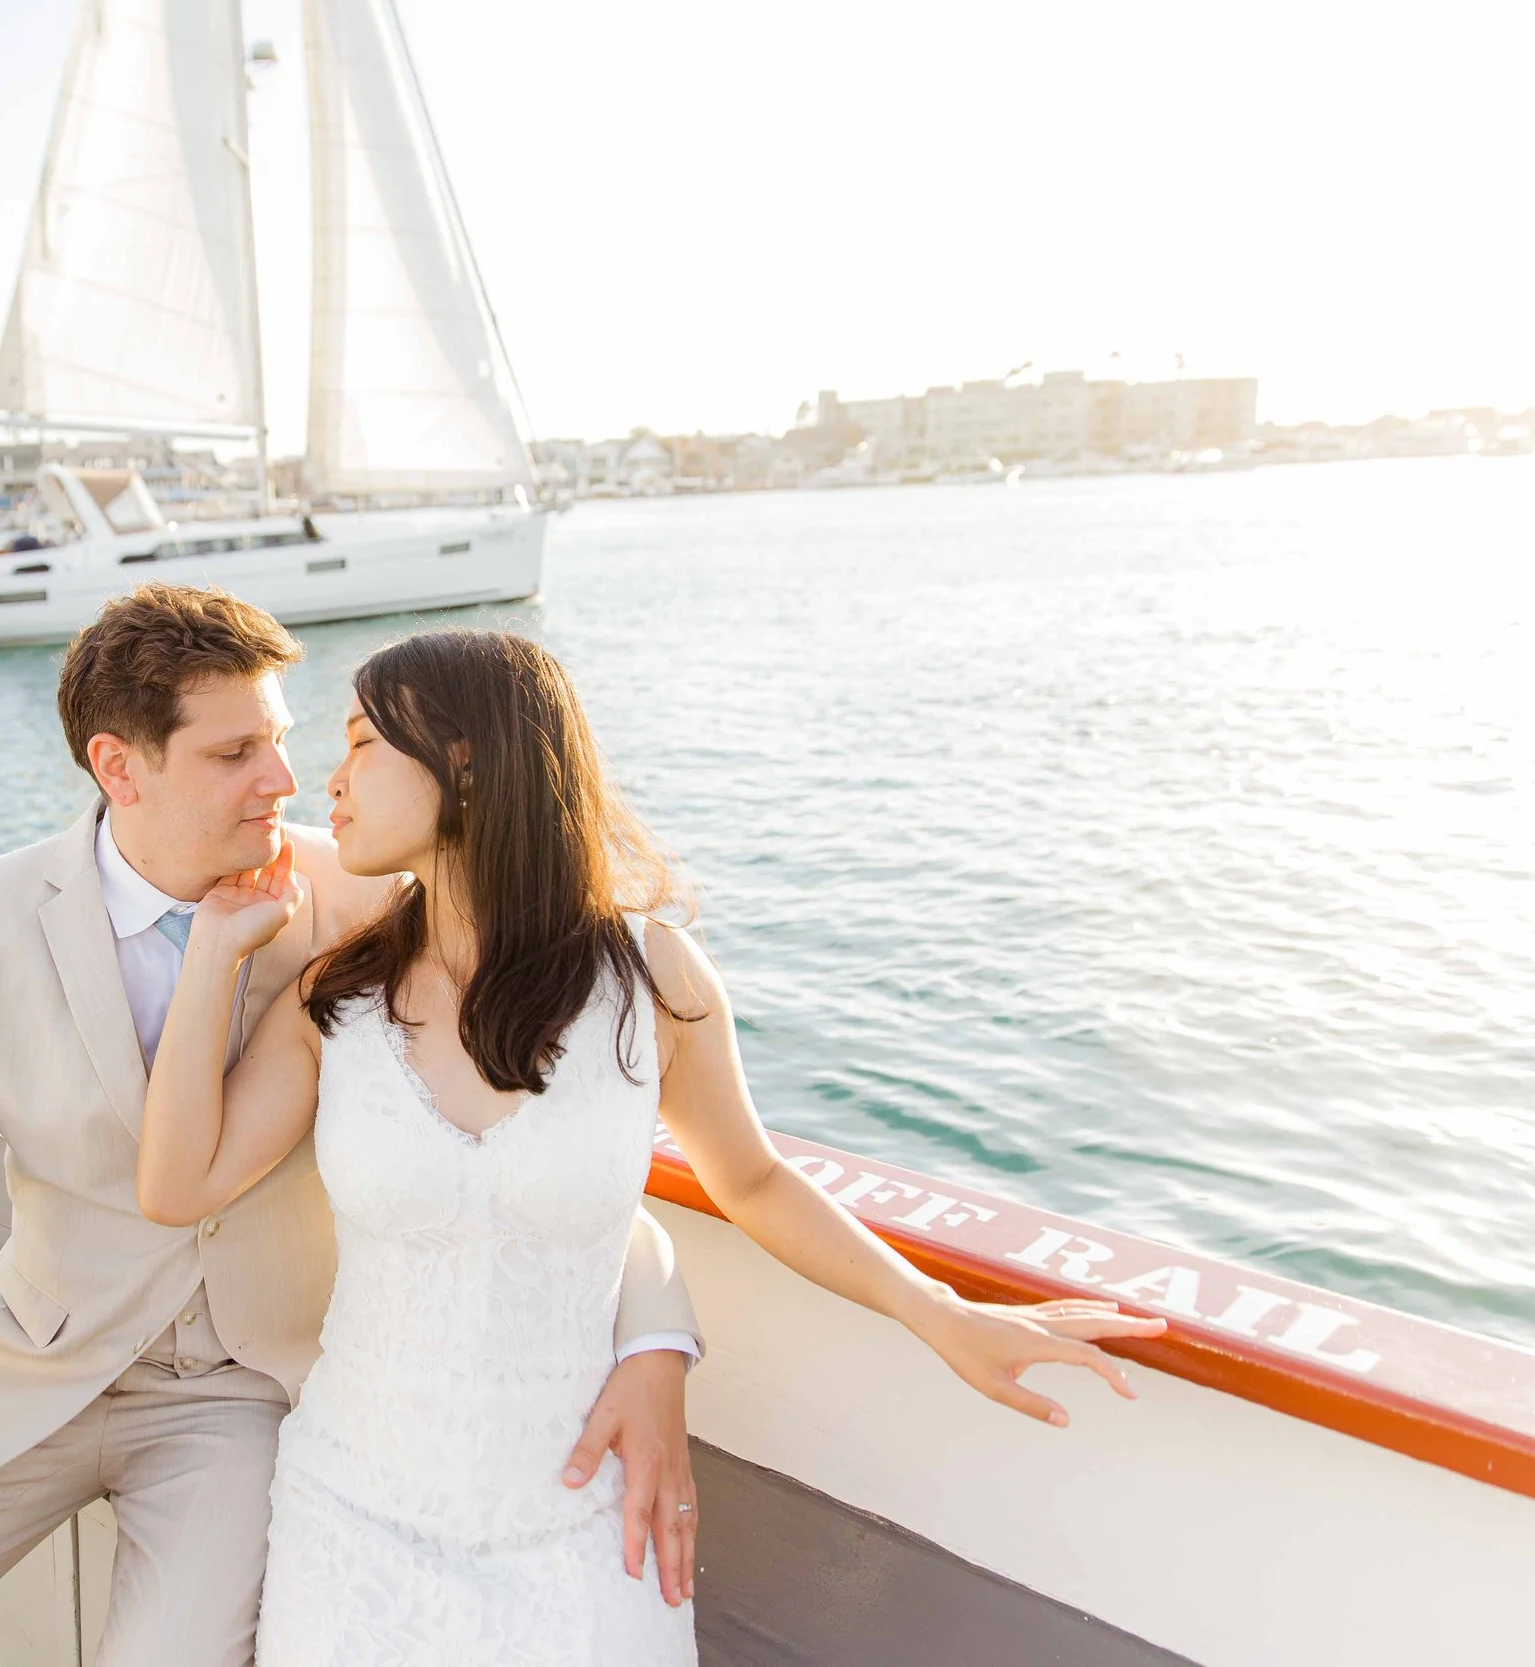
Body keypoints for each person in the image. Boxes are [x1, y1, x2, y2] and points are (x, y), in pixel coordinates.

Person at [136, 629, 1169, 1665]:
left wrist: (936, 1312)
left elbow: (752, 1179)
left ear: (465, 762)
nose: (330, 777)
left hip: (582, 1515)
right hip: (353, 1511)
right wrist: (217, 956)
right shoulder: (340, 997)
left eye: (362, 742)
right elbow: (177, 1183)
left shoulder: (651, 981)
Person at [0, 588, 703, 1667]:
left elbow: (540, 1160)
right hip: (36, 1368)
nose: (284, 781)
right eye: (236, 751)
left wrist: (657, 1338)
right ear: (120, 766)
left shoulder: (369, 901)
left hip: (243, 1399)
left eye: (282, 740)